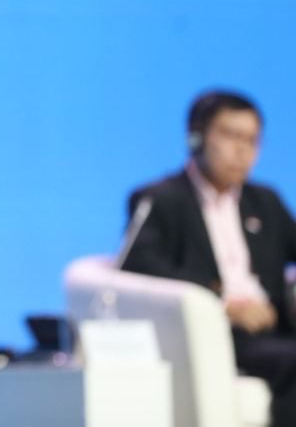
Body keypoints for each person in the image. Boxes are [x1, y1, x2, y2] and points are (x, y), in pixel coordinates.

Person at [122, 90, 296, 426]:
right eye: (231, 136)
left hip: (275, 329)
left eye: (252, 140)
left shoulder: (265, 201)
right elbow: (138, 264)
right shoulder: (163, 199)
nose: (242, 150)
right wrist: (222, 303)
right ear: (196, 137)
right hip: (217, 335)